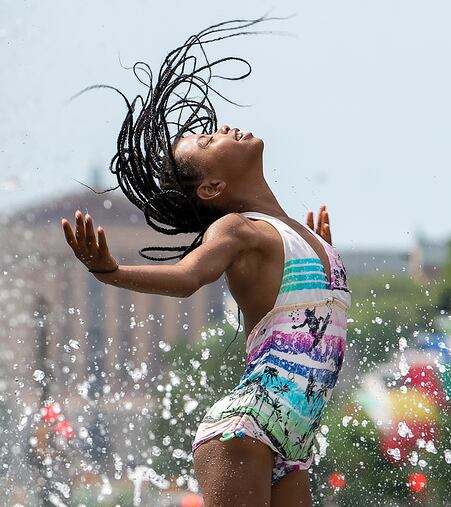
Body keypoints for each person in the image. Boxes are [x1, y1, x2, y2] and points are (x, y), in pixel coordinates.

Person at [61, 18, 351, 507]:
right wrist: (109, 272)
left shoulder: (296, 236)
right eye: (208, 141)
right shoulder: (236, 229)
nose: (224, 128)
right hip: (248, 427)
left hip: (296, 439)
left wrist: (321, 257)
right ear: (212, 188)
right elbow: (188, 277)